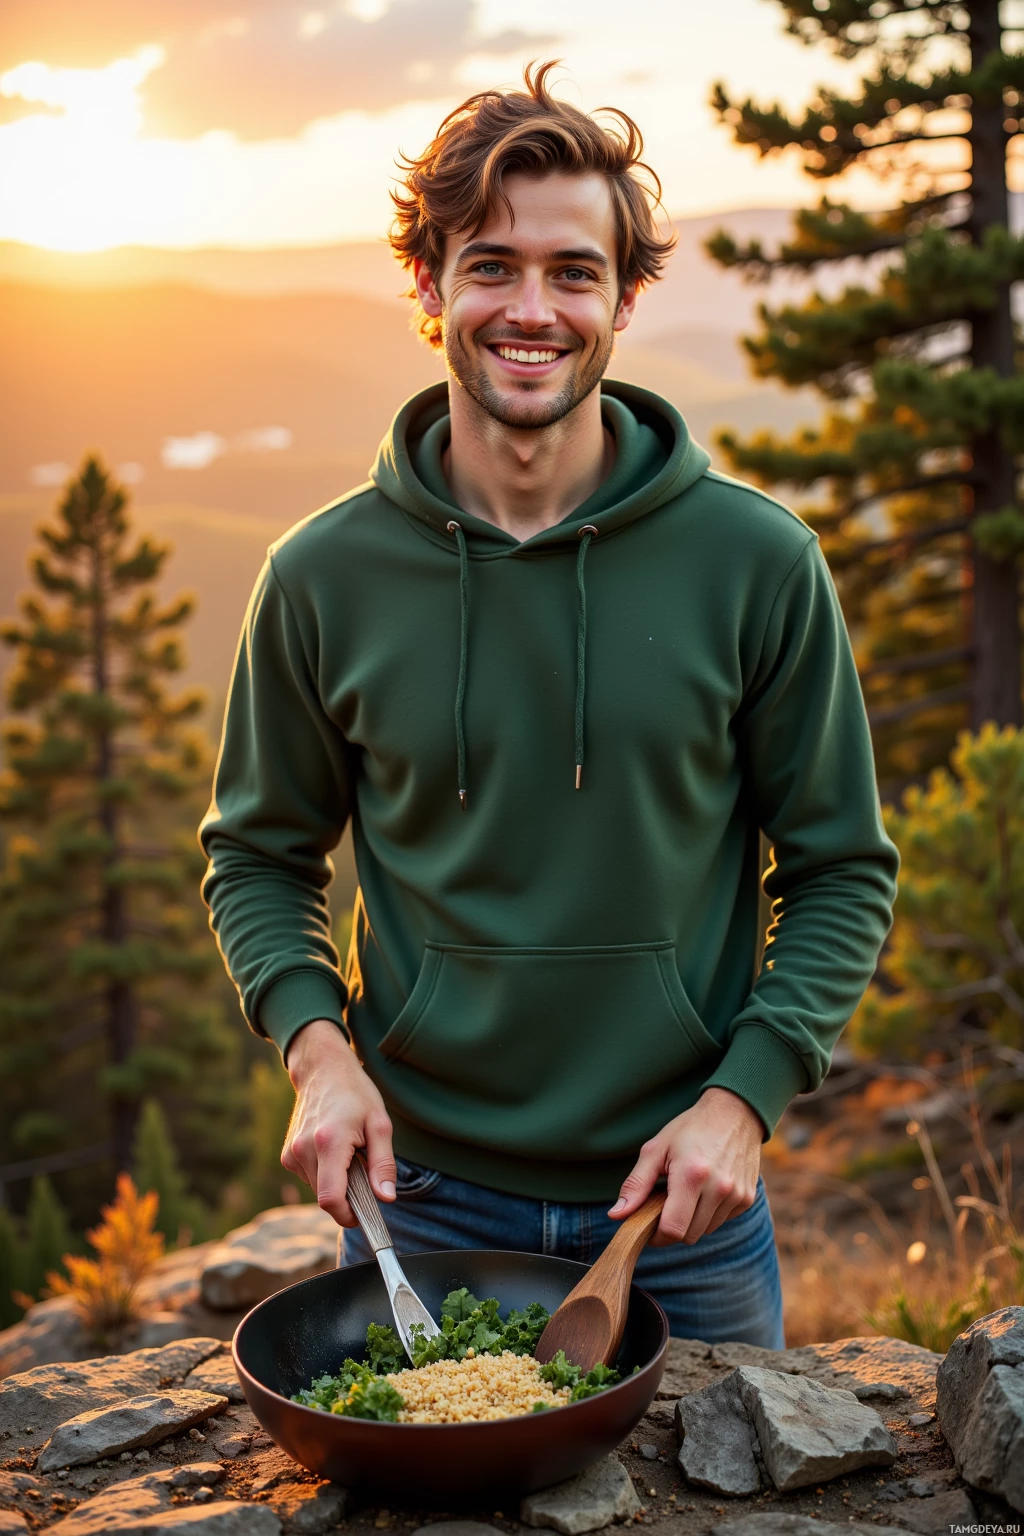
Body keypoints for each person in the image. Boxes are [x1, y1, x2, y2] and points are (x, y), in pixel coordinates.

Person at [199, 62, 899, 1348]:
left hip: (674, 1213)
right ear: (429, 286)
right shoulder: (320, 576)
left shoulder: (754, 563)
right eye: (492, 266)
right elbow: (257, 851)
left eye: (574, 272)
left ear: (625, 299)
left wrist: (742, 1102)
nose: (534, 309)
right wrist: (318, 1054)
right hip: (419, 1201)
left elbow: (843, 867)